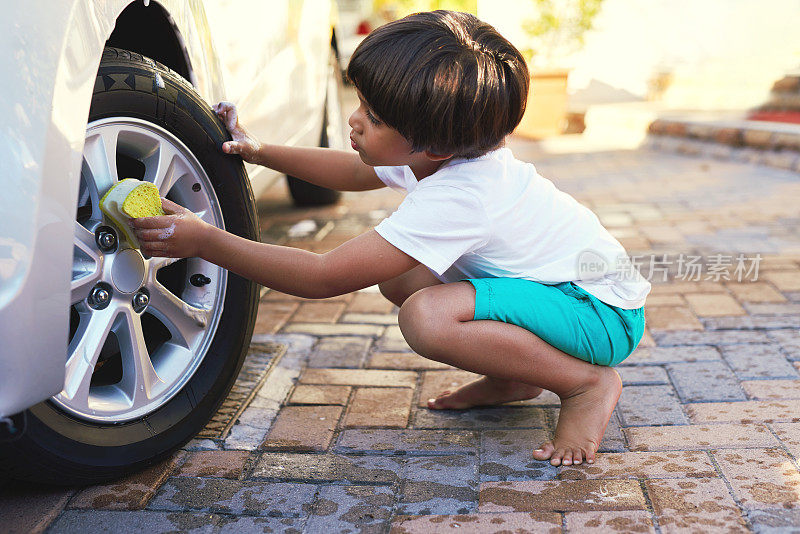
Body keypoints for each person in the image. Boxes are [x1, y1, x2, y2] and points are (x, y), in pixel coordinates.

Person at [130, 10, 650, 467]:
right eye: (361, 103)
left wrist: (205, 241)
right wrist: (261, 152)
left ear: (436, 147)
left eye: (373, 119)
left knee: (425, 315)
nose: (354, 122)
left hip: (596, 313)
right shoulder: (444, 152)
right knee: (402, 277)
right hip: (567, 293)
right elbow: (354, 171)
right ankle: (517, 377)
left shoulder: (461, 193)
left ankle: (585, 384)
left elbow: (322, 277)